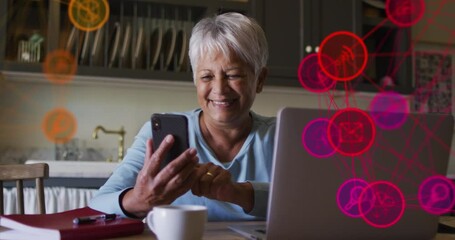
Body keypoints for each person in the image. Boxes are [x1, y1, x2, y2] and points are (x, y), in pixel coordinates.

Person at [89, 12, 276, 221]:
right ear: (196, 80)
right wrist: (141, 200)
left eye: (233, 75)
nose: (219, 89)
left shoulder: (282, 136)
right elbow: (98, 205)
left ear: (260, 79)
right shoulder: (161, 135)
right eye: (207, 76)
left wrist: (237, 193)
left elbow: (314, 203)